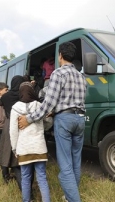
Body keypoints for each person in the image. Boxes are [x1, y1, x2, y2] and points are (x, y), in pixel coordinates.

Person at [19, 42, 87, 202]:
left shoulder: (58, 74)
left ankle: (74, 199)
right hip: (80, 119)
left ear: (60, 55)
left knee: (65, 164)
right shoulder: (81, 76)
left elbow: (48, 103)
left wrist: (29, 119)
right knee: (76, 161)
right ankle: (70, 195)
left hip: (64, 120)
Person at [10, 82, 50, 202]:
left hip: (24, 147)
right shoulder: (39, 105)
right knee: (42, 177)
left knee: (26, 177)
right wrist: (42, 128)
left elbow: (13, 130)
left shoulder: (15, 108)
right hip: (39, 146)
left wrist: (14, 148)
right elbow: (48, 121)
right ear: (32, 92)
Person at [0, 76, 25, 186]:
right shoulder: (23, 95)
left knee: (6, 150)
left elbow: (0, 103)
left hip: (9, 124)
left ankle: (6, 176)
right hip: (23, 123)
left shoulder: (6, 96)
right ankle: (22, 182)